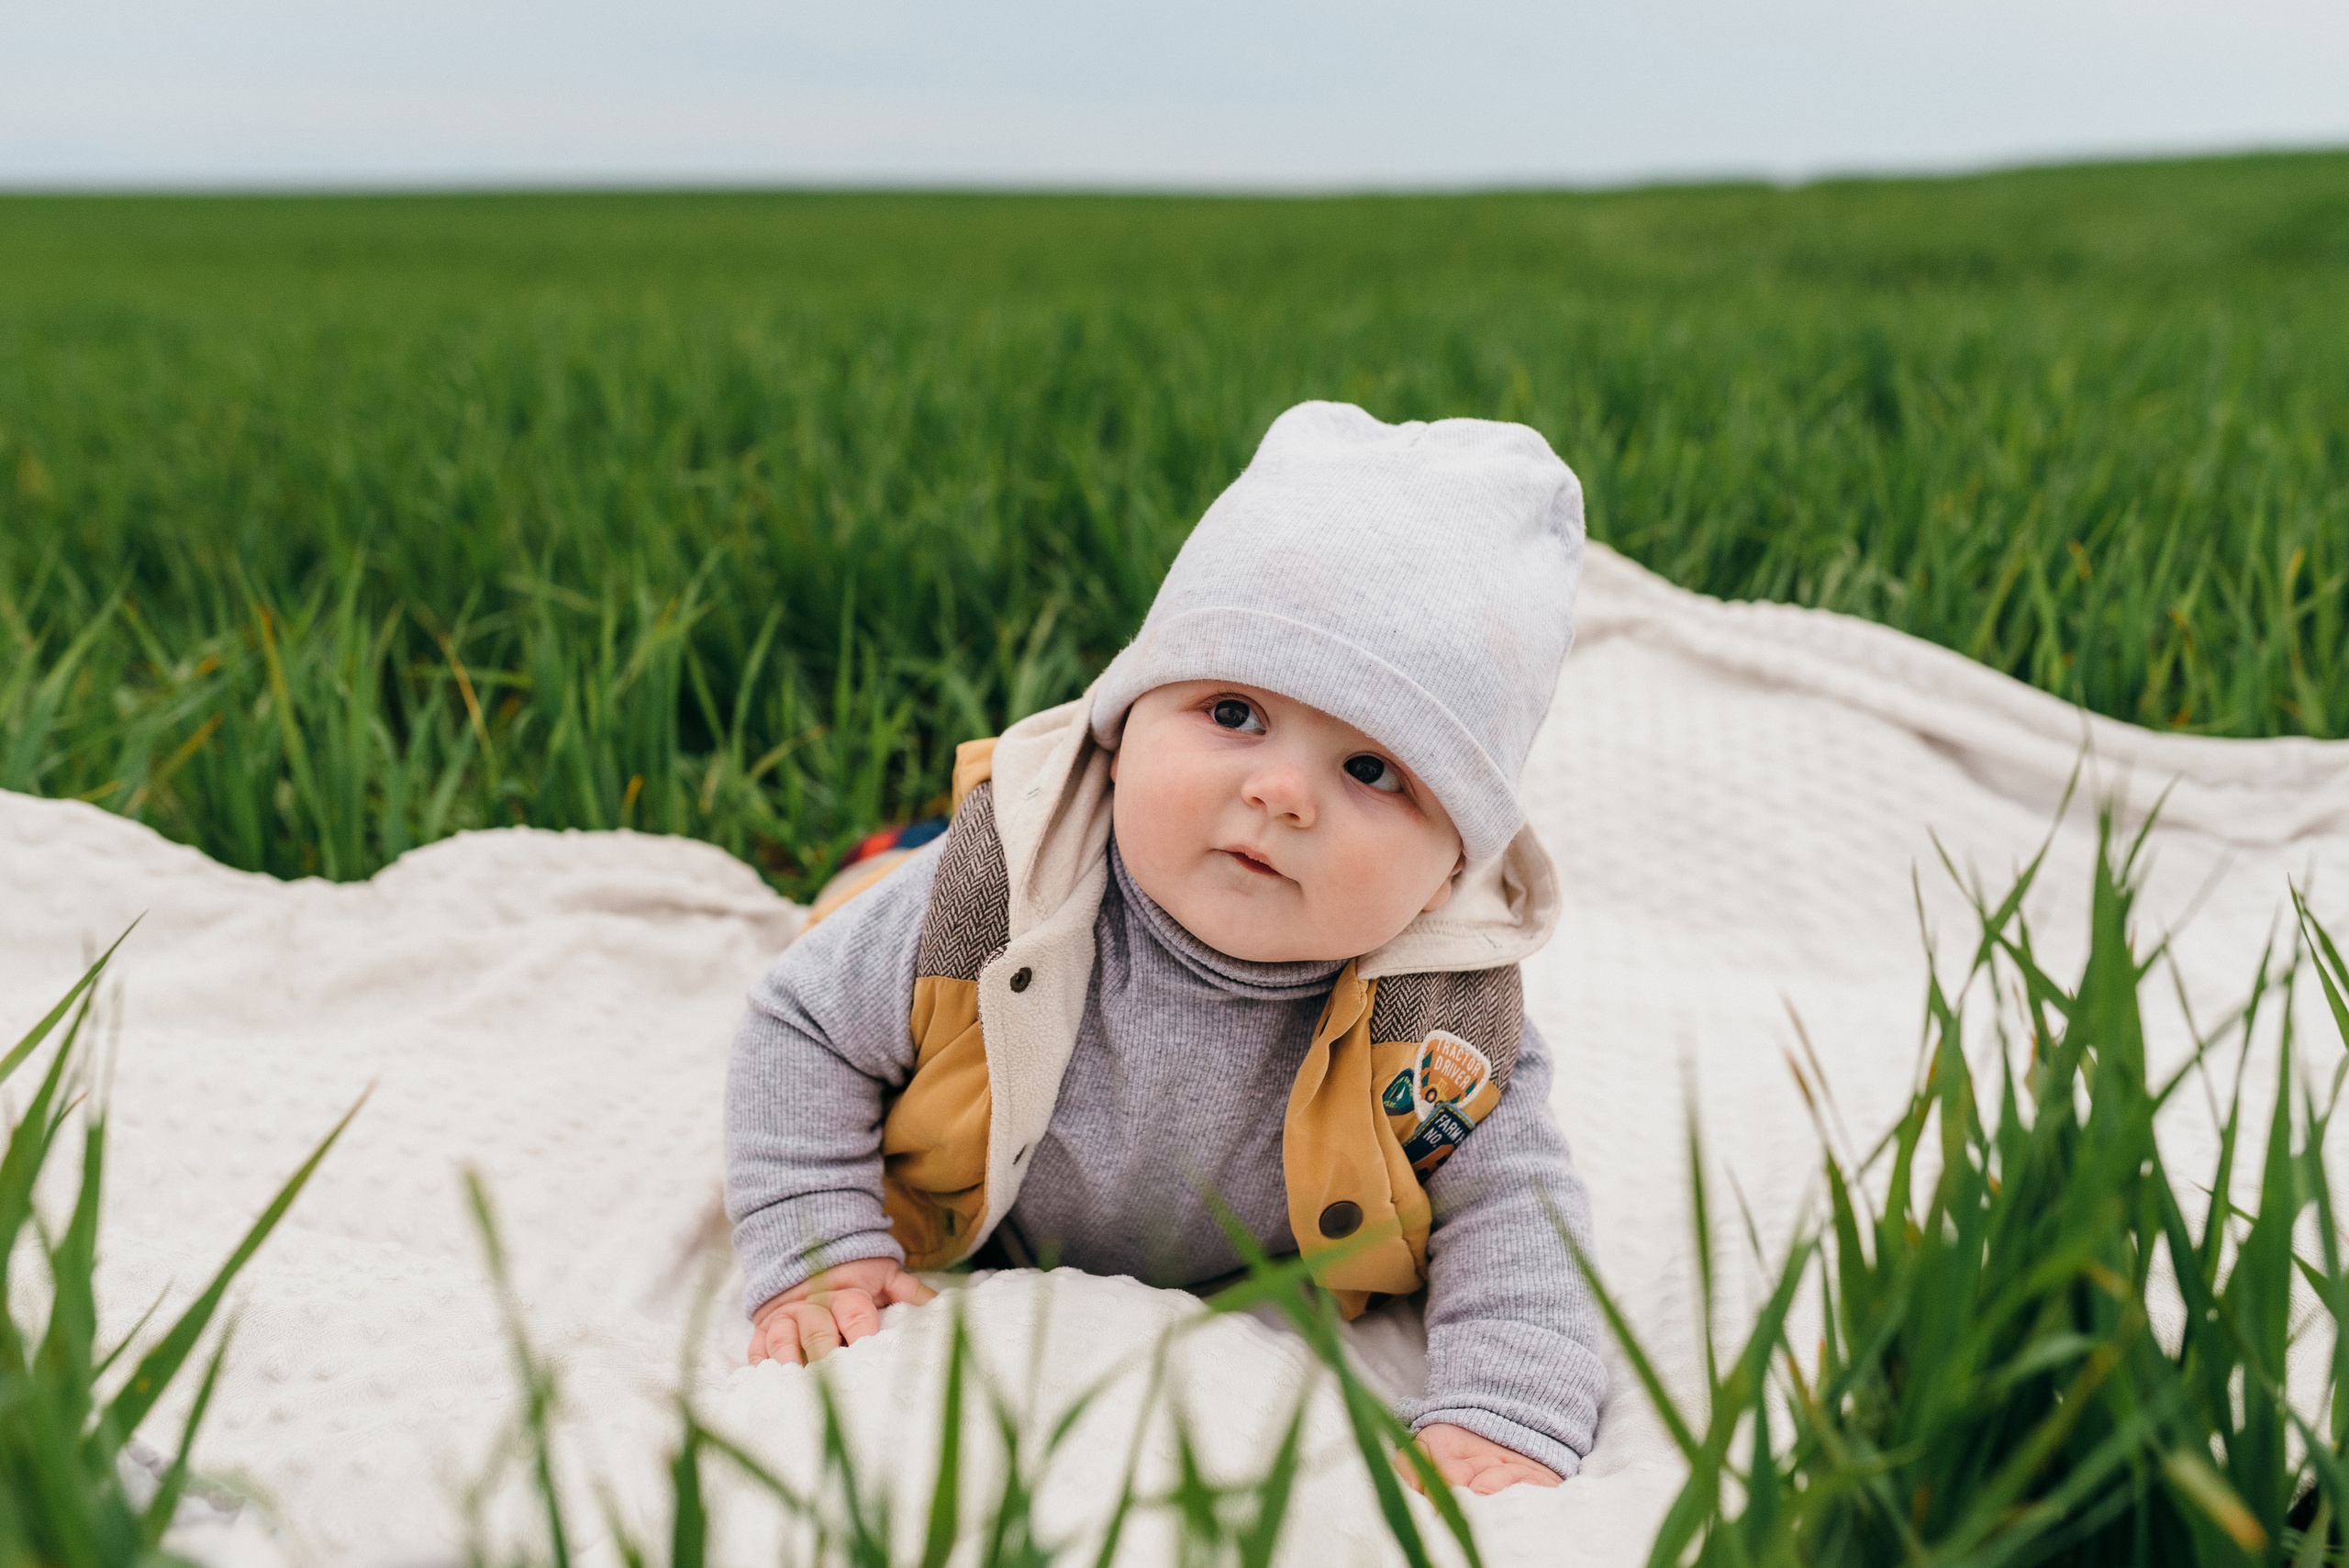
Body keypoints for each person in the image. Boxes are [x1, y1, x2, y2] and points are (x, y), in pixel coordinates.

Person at [725, 401, 1607, 1494]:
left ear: (1451, 866)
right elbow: (801, 1024)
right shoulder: (985, 897)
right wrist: (818, 1247)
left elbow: (1514, 1212)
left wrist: (1506, 1408)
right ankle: (882, 848)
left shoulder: (1444, 1025)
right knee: (861, 903)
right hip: (971, 995)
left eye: (1372, 771)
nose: (1279, 791)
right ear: (1121, 719)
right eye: (1233, 711)